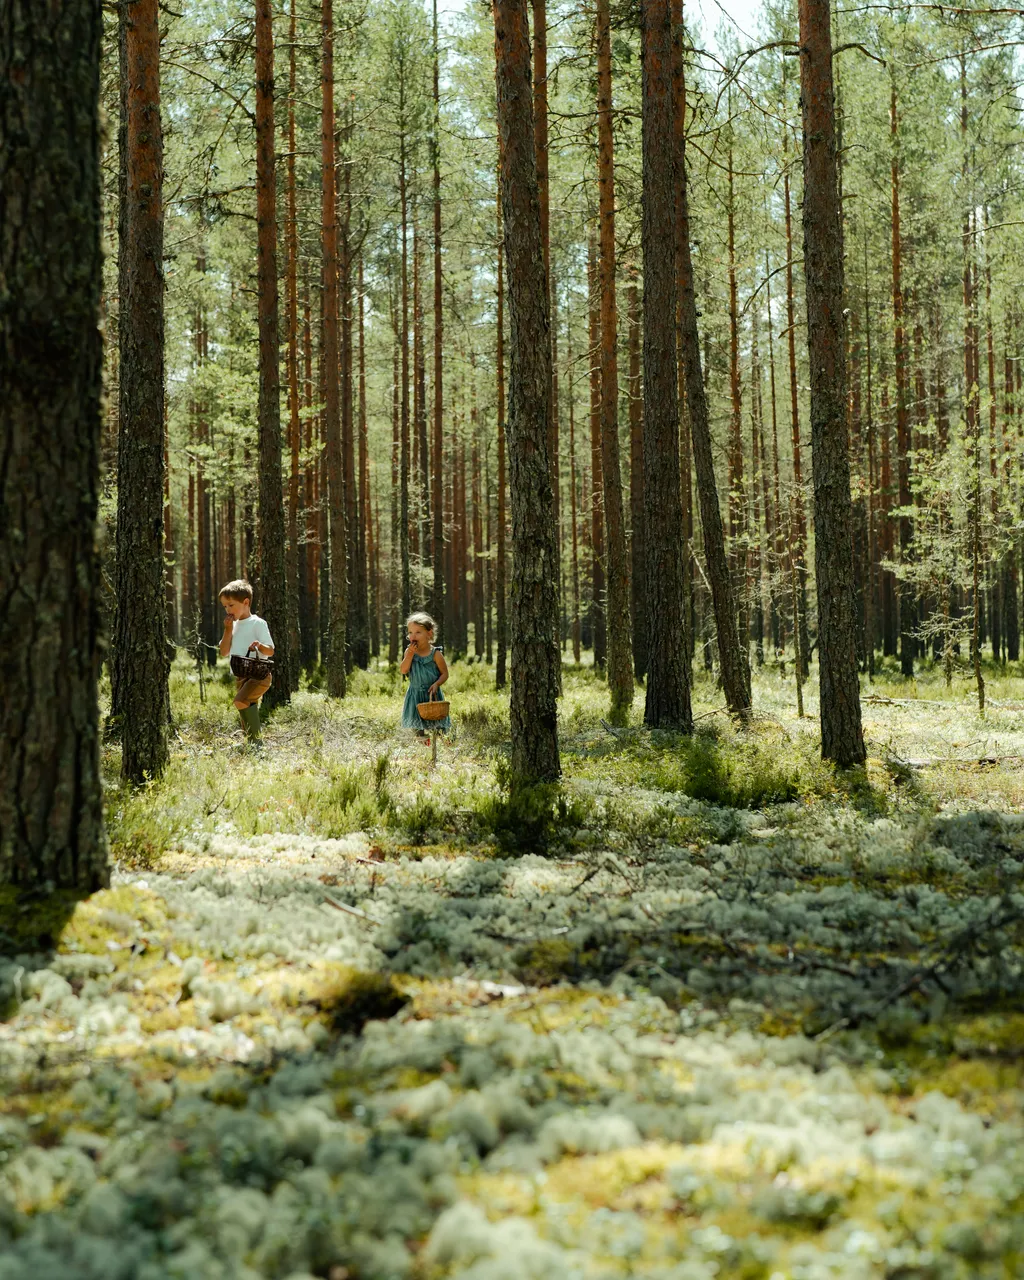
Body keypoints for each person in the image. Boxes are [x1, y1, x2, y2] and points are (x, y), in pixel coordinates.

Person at [218, 579, 274, 747]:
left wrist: (260, 645)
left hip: (259, 675)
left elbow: (270, 650)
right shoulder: (232, 626)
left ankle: (257, 745)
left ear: (246, 602)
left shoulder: (257, 623)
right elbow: (224, 651)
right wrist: (228, 630)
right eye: (225, 607)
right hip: (241, 675)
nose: (228, 610)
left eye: (231, 605)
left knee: (240, 701)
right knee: (246, 708)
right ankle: (251, 744)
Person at [399, 611, 450, 739]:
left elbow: (445, 674)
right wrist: (409, 655)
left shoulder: (435, 654)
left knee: (438, 729)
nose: (413, 636)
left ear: (429, 633)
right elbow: (404, 670)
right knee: (418, 731)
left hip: (432, 694)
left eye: (418, 632)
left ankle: (439, 749)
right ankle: (424, 750)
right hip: (415, 695)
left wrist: (437, 684)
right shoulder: (409, 652)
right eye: (410, 632)